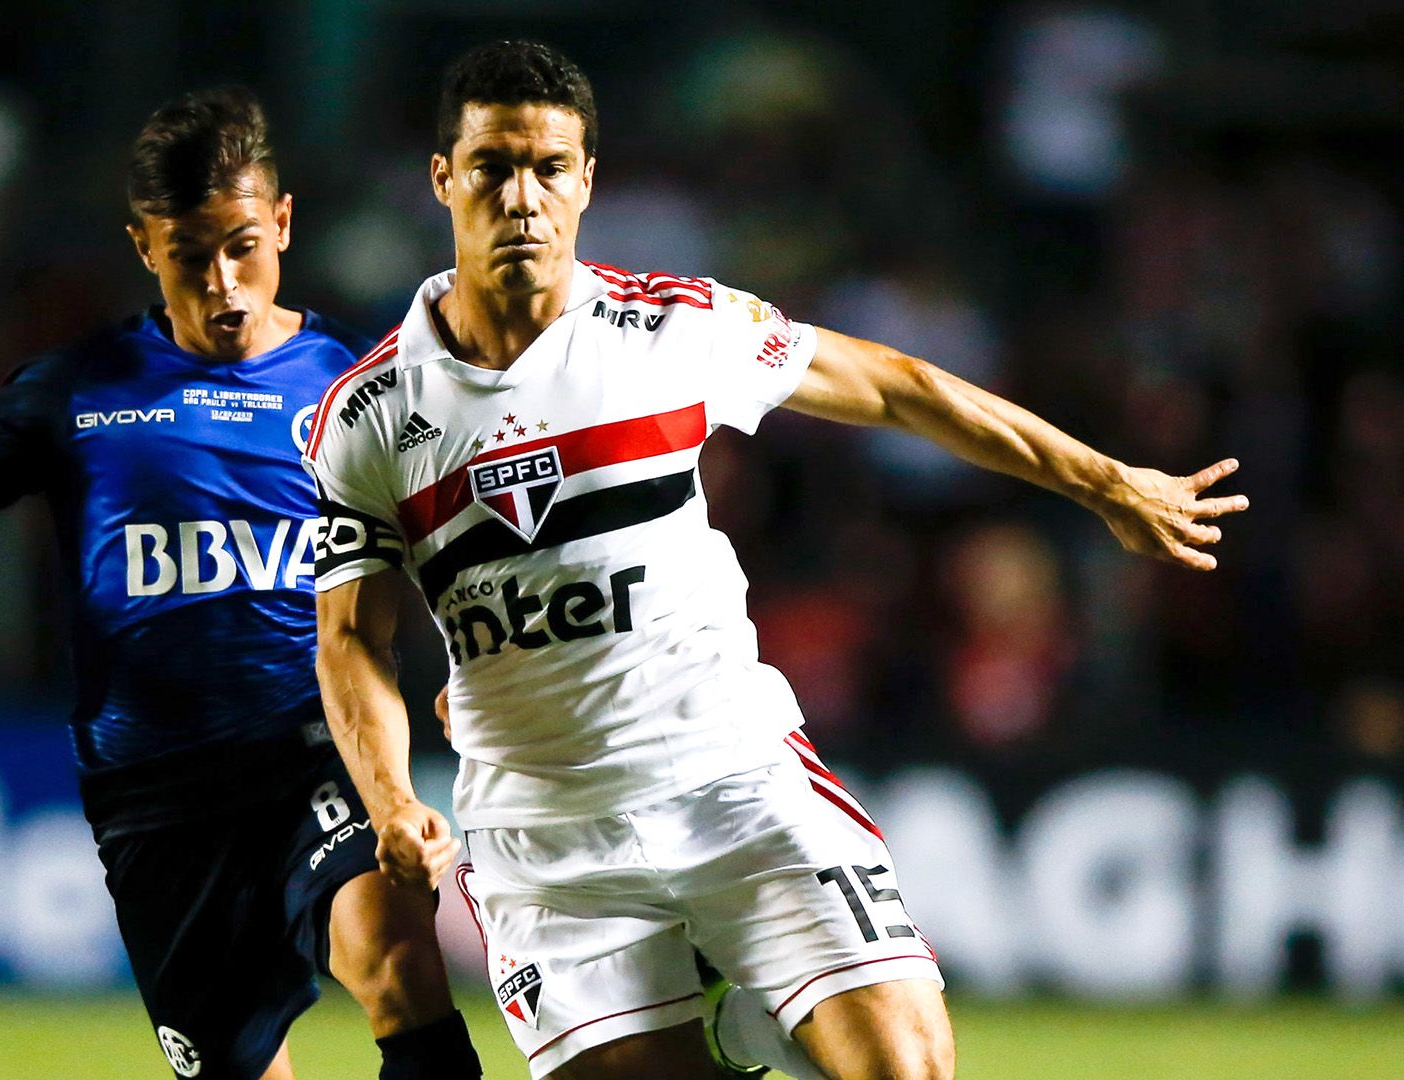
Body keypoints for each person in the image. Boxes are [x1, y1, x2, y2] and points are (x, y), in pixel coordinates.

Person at [304, 41, 1248, 1080]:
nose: (522, 196)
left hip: (732, 783)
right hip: (547, 843)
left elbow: (892, 386)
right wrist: (392, 800)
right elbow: (352, 639)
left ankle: (753, 1011)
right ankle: (739, 1026)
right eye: (492, 166)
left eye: (549, 167)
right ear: (443, 179)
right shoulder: (367, 415)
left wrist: (1102, 481)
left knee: (908, 1070)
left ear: (587, 182)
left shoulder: (667, 328)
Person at [0, 88, 482, 1080]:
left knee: (398, 961)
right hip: (155, 795)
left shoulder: (358, 380)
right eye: (190, 253)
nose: (223, 281)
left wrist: (474, 667)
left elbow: (449, 540)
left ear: (283, 223)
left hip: (310, 750)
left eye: (243, 245)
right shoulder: (78, 389)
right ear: (144, 245)